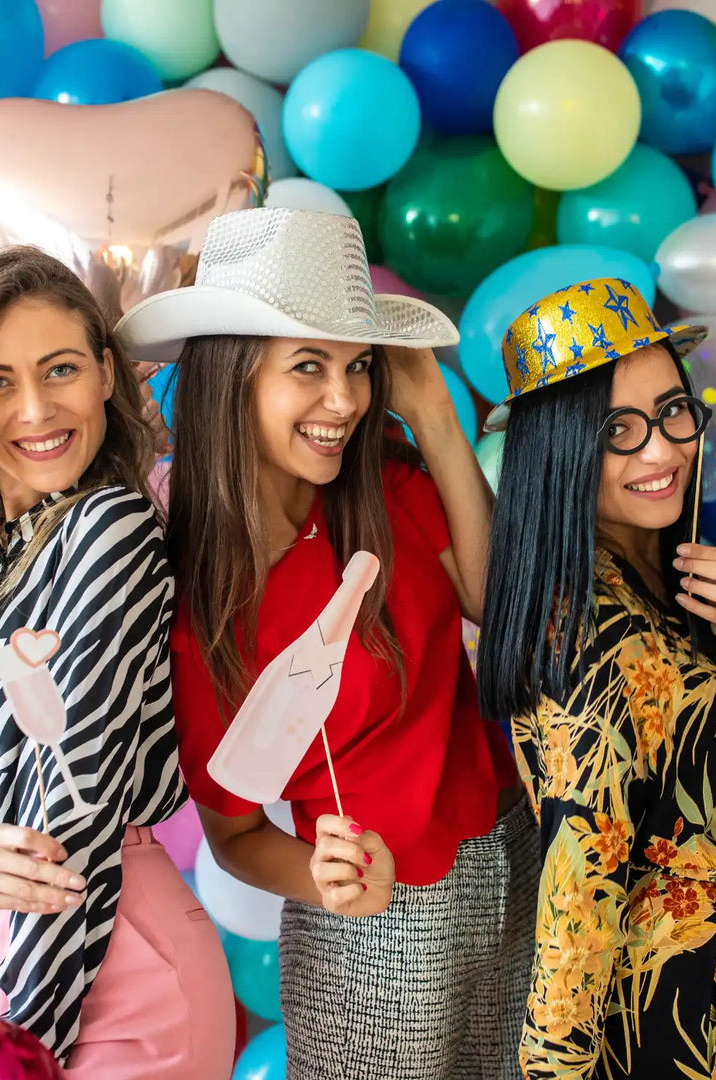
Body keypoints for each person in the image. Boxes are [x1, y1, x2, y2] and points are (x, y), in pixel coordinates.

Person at [116, 206, 536, 1080]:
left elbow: (495, 604)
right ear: (235, 378)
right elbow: (232, 833)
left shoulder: (377, 482)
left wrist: (435, 418)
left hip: (511, 858)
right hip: (373, 923)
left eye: (357, 366)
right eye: (309, 366)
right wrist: (328, 882)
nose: (343, 400)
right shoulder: (197, 601)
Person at [476, 278, 716, 1080]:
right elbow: (580, 892)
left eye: (674, 412)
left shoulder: (660, 568)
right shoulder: (584, 633)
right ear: (562, 449)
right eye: (618, 431)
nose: (663, 450)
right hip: (666, 1026)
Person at [0, 247, 234, 1077]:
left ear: (106, 373)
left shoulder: (110, 526)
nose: (34, 409)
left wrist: (25, 1040)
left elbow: (79, 804)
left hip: (104, 961)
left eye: (60, 369)